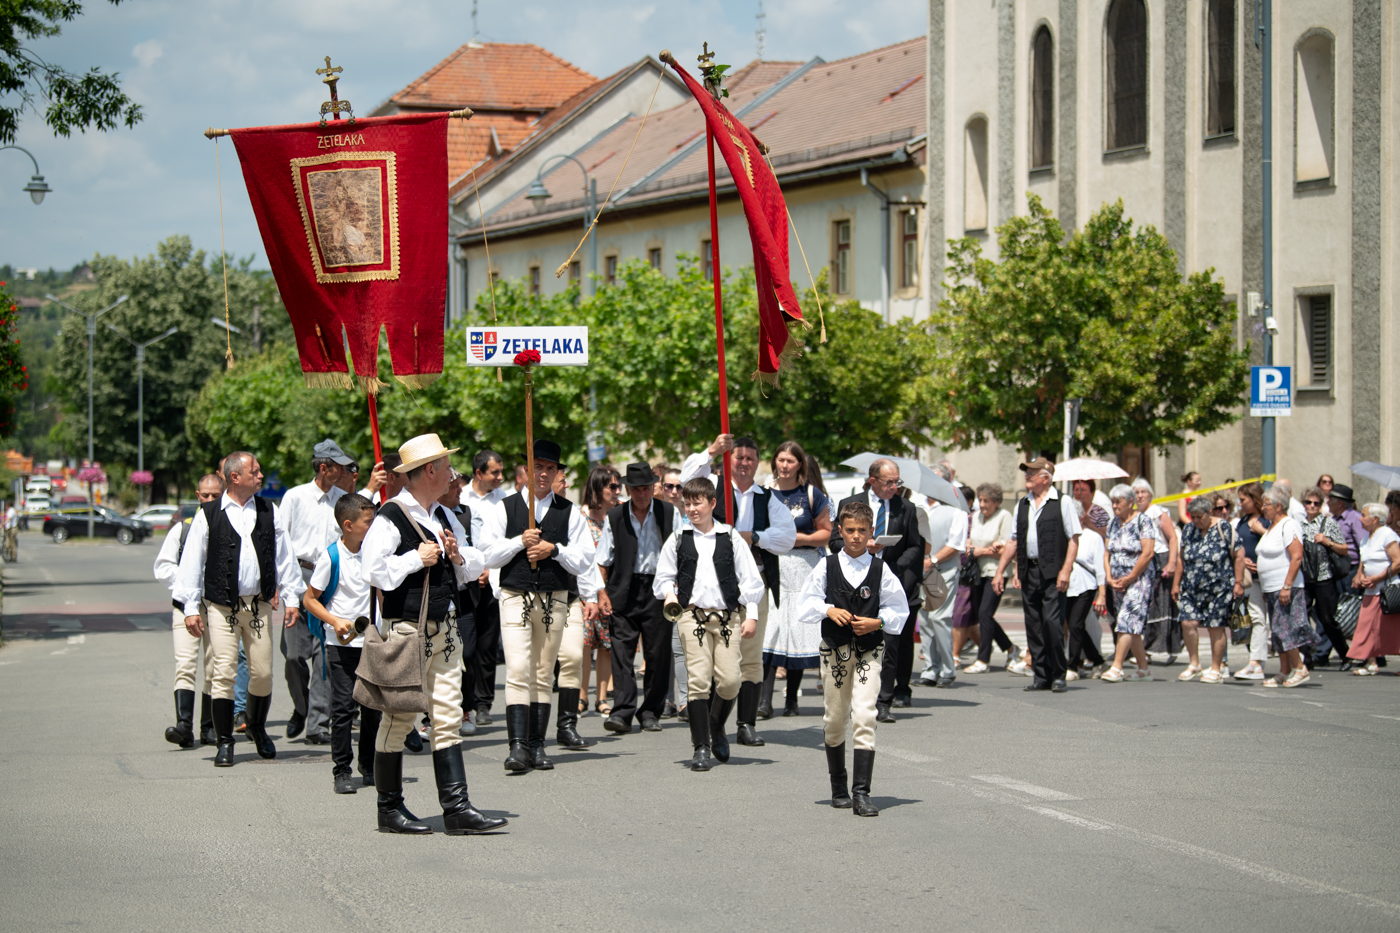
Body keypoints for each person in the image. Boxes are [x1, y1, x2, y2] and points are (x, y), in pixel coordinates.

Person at [361, 434, 506, 835]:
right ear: (429, 471)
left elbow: (470, 564)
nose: (452, 476)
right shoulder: (391, 515)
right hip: (406, 631)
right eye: (447, 468)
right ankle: (389, 809)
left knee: (447, 716)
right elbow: (372, 570)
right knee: (399, 717)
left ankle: (456, 809)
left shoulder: (443, 514)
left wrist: (457, 556)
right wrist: (416, 558)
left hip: (445, 628)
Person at [173, 452, 304, 766]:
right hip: (221, 608)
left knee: (262, 673)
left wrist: (292, 598)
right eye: (254, 472)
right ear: (235, 477)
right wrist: (190, 607)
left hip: (258, 606)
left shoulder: (268, 509)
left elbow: (285, 557)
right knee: (224, 672)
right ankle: (224, 741)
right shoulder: (209, 513)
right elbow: (192, 562)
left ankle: (256, 727)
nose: (260, 476)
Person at [479, 439, 596, 773]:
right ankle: (517, 746)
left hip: (553, 597)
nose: (543, 474)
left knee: (543, 672)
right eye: (538, 467)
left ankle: (537, 744)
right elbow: (487, 554)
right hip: (515, 594)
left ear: (557, 472)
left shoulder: (570, 512)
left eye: (550, 468)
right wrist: (520, 542)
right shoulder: (505, 508)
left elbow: (585, 558)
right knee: (518, 668)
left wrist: (553, 550)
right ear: (527, 470)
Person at [679, 435, 797, 743]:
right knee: (714, 661)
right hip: (713, 588)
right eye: (739, 457)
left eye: (750, 458)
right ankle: (712, 723)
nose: (744, 463)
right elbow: (686, 480)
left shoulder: (767, 498)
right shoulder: (712, 486)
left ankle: (746, 724)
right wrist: (712, 451)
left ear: (758, 463)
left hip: (753, 583)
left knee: (752, 657)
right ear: (729, 460)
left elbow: (787, 537)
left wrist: (753, 537)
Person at [798, 500, 909, 817]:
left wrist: (879, 622)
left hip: (869, 651)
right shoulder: (827, 566)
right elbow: (805, 604)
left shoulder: (880, 569)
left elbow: (898, 609)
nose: (856, 536)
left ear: (871, 531)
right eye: (850, 530)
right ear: (840, 531)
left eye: (862, 530)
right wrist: (828, 609)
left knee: (864, 715)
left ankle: (861, 793)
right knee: (835, 719)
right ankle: (838, 786)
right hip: (835, 651)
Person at [654, 477, 764, 771]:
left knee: (730, 681)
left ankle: (716, 725)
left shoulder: (730, 537)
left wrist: (751, 614)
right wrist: (669, 594)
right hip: (692, 616)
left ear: (712, 503)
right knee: (699, 681)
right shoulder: (678, 538)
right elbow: (663, 577)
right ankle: (701, 746)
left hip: (728, 618)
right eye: (687, 503)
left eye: (697, 503)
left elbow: (750, 580)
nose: (691, 509)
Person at [301, 494, 381, 794]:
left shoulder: (375, 552)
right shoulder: (331, 557)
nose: (372, 527)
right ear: (348, 525)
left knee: (372, 708)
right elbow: (310, 600)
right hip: (341, 645)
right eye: (368, 522)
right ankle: (342, 769)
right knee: (344, 708)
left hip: (371, 641)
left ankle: (368, 765)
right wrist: (334, 621)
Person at [279, 439, 357, 746]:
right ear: (324, 468)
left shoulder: (344, 501)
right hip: (298, 575)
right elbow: (281, 544)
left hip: (329, 578)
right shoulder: (295, 497)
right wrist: (280, 585)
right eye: (339, 467)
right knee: (294, 656)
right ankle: (302, 706)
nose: (344, 472)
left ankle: (317, 724)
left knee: (324, 654)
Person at [834, 458, 919, 721]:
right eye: (889, 482)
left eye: (897, 482)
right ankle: (853, 698)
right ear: (873, 481)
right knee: (853, 640)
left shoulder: (906, 507)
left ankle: (884, 702)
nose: (894, 487)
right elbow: (835, 540)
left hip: (888, 579)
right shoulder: (850, 504)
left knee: (889, 644)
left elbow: (915, 546)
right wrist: (861, 546)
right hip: (855, 581)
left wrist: (894, 567)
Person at [597, 462, 677, 735]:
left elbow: (681, 550)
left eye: (646, 488)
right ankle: (622, 712)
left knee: (657, 654)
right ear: (628, 490)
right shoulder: (615, 516)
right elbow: (603, 559)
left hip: (658, 590)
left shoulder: (669, 512)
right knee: (621, 652)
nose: (641, 494)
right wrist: (602, 593)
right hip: (623, 589)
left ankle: (651, 711)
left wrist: (676, 590)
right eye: (636, 489)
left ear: (653, 488)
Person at [995, 458, 1081, 691]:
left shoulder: (1063, 502)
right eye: (1026, 473)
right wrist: (1002, 571)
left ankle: (1058, 674)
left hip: (1053, 572)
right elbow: (1013, 540)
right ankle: (1041, 676)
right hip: (1029, 570)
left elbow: (1073, 539)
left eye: (1032, 473)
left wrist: (1066, 569)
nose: (1027, 476)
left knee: (1052, 623)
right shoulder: (1022, 504)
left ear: (1046, 477)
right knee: (1033, 624)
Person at [153, 472, 224, 748]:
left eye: (215, 495)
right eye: (205, 495)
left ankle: (209, 727)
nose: (210, 499)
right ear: (197, 496)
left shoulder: (228, 526)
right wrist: (188, 583)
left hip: (216, 607)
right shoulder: (182, 529)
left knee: (214, 666)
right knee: (185, 664)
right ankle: (184, 725)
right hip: (185, 607)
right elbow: (163, 568)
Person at [548, 465, 603, 751]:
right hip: (532, 598)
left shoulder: (571, 513)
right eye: (562, 480)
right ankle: (531, 734)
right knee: (538, 667)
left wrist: (591, 595)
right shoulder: (520, 509)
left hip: (569, 597)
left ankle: (567, 726)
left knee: (572, 656)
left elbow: (586, 557)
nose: (566, 484)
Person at [1172, 495, 1244, 683]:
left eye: (1199, 517)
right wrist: (1176, 584)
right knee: (1187, 622)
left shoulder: (1224, 528)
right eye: (1193, 517)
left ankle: (1216, 668)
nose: (1196, 521)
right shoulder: (1189, 530)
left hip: (1219, 588)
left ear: (1209, 513)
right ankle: (1194, 663)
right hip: (1191, 587)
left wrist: (1238, 583)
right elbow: (1181, 558)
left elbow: (1239, 555)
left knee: (1215, 626)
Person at [462, 449, 508, 729]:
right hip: (466, 582)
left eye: (501, 472)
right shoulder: (458, 497)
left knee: (488, 646)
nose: (500, 477)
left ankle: (483, 703)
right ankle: (464, 702)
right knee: (466, 646)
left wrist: (491, 570)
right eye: (495, 472)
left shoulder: (505, 501)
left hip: (492, 580)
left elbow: (507, 541)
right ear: (479, 473)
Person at [1254, 485, 1312, 687]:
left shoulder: (1289, 524)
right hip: (1271, 587)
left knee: (1285, 628)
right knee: (1277, 631)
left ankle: (1300, 667)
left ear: (1278, 506)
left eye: (1266, 504)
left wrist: (1287, 586)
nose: (1263, 508)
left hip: (1285, 586)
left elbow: (1296, 557)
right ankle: (1284, 669)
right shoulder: (1272, 527)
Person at [915, 462, 967, 688]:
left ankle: (948, 668)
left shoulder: (956, 507)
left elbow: (956, 544)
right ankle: (930, 669)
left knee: (939, 618)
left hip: (943, 570)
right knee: (925, 620)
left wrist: (932, 560)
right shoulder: (918, 504)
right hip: (922, 571)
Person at [1099, 485, 1156, 683]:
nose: (1115, 506)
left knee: (1126, 620)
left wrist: (1131, 577)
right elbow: (1107, 553)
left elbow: (1147, 552)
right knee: (1131, 624)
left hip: (1138, 579)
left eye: (1118, 502)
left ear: (1130, 502)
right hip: (1117, 581)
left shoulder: (1143, 521)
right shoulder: (1114, 523)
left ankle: (1117, 667)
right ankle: (1144, 669)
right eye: (1113, 502)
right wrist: (1108, 576)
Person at [962, 483, 1016, 674]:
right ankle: (1011, 648)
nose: (983, 504)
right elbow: (970, 543)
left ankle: (983, 659)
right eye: (981, 500)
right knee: (982, 615)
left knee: (985, 613)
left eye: (987, 501)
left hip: (996, 572)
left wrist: (980, 550)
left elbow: (1005, 549)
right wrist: (975, 547)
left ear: (997, 502)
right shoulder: (976, 516)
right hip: (978, 571)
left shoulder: (1004, 516)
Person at [580, 466, 619, 717]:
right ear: (597, 488)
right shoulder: (580, 517)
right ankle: (581, 696)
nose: (617, 491)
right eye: (611, 486)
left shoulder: (618, 516)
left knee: (607, 644)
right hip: (585, 589)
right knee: (584, 643)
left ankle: (602, 697)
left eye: (618, 486)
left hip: (611, 589)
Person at [1299, 486, 1351, 668]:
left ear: (1321, 505)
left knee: (1327, 619)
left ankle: (1345, 655)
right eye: (1309, 502)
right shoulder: (1298, 524)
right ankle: (1307, 658)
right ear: (1303, 504)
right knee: (1302, 618)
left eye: (1316, 503)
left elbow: (1344, 549)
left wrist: (1327, 542)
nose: (1312, 506)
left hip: (1324, 578)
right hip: (1305, 578)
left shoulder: (1328, 523)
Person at [1345, 504, 1400, 675]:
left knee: (1394, 628)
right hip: (1371, 591)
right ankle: (1370, 663)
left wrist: (1377, 578)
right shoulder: (1366, 538)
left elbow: (1397, 562)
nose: (1360, 518)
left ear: (1375, 519)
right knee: (1366, 626)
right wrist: (1359, 576)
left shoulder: (1387, 535)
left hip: (1388, 591)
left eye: (1363, 515)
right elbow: (1364, 561)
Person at [1131, 479, 1180, 658]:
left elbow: (1172, 538)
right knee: (1148, 605)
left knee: (1162, 604)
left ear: (1150, 495)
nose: (1140, 496)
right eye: (1136, 492)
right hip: (1145, 560)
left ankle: (1156, 647)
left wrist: (1172, 562)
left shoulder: (1157, 512)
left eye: (1143, 492)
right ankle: (1148, 647)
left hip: (1161, 559)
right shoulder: (1135, 515)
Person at [1231, 482, 1272, 681]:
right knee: (1256, 618)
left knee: (1269, 619)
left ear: (1254, 499)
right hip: (1251, 579)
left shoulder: (1267, 520)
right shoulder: (1242, 522)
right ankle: (1256, 662)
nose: (1240, 504)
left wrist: (1261, 530)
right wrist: (1243, 560)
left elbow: (1278, 542)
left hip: (1269, 576)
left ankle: (1293, 659)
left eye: (1243, 499)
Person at [1064, 501, 1108, 679]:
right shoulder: (1064, 536)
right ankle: (1098, 661)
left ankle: (1073, 666)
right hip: (1067, 586)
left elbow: (1100, 568)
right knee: (1076, 626)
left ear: (1082, 517)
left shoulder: (1093, 538)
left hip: (1086, 586)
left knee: (1075, 624)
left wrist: (1102, 594)